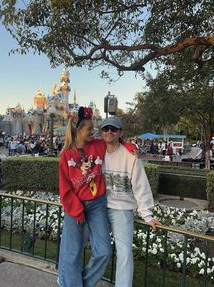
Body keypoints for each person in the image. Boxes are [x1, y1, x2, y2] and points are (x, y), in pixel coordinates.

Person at [101, 117, 160, 287]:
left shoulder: (131, 156)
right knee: (96, 249)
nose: (109, 132)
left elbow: (140, 186)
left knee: (125, 253)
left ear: (120, 133)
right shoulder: (97, 151)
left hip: (122, 209)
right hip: (99, 208)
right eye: (106, 129)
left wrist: (147, 214)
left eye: (113, 129)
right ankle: (76, 280)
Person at [57, 106, 112, 287]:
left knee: (104, 251)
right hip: (75, 208)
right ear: (78, 130)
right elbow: (65, 190)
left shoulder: (98, 145)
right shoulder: (66, 156)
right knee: (71, 254)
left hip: (97, 205)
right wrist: (77, 211)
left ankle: (81, 284)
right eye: (89, 128)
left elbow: (115, 142)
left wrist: (130, 146)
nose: (93, 131)